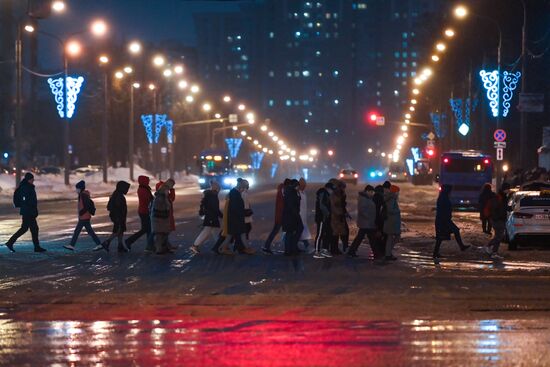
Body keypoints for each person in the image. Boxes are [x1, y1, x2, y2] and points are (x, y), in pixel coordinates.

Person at [5, 172, 46, 252]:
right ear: (28, 179)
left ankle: (11, 242)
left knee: (27, 228)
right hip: (28, 212)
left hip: (29, 211)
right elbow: (25, 200)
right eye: (32, 179)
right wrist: (30, 210)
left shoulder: (29, 186)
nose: (33, 180)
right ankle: (36, 247)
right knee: (32, 229)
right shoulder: (25, 187)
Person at [433, 184, 470, 260]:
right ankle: (461, 246)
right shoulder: (443, 198)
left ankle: (435, 253)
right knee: (454, 231)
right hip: (443, 220)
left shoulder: (443, 197)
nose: (451, 192)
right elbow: (443, 210)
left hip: (443, 220)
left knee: (440, 237)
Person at [64, 180, 101, 251]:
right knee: (89, 232)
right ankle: (99, 244)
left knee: (77, 231)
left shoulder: (83, 195)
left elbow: (86, 206)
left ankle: (72, 245)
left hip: (84, 216)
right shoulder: (83, 194)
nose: (76, 190)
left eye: (77, 188)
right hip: (85, 216)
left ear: (80, 188)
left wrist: (81, 212)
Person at [95, 181, 131, 252]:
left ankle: (120, 245)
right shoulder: (118, 195)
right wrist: (119, 217)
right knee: (118, 230)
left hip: (118, 216)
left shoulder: (117, 194)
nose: (127, 190)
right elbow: (117, 207)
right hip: (118, 216)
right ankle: (107, 242)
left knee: (121, 230)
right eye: (126, 188)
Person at [191, 181, 223, 254]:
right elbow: (215, 208)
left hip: (210, 216)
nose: (219, 190)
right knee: (206, 232)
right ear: (216, 188)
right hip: (211, 217)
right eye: (219, 189)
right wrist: (221, 215)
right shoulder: (212, 196)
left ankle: (219, 246)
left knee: (214, 232)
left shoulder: (211, 195)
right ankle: (195, 245)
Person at [225, 179, 255, 254]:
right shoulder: (236, 193)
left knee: (237, 234)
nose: (244, 189)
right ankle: (223, 248)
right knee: (236, 234)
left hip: (237, 217)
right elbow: (236, 207)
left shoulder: (236, 192)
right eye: (244, 187)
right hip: (236, 218)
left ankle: (244, 248)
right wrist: (243, 213)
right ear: (241, 185)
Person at [125, 175, 154, 252]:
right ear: (144, 181)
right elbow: (147, 200)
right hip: (144, 211)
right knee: (145, 229)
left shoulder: (145, 188)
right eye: (147, 181)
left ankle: (150, 245)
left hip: (145, 211)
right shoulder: (143, 189)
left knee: (148, 229)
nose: (148, 182)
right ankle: (129, 241)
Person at [348, 185, 378, 258]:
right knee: (371, 238)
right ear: (367, 191)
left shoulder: (367, 198)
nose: (372, 193)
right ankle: (376, 254)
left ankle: (352, 251)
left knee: (361, 237)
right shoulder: (364, 199)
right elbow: (362, 210)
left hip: (367, 222)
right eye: (371, 192)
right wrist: (369, 218)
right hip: (366, 222)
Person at [262, 179, 289, 254]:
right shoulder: (283, 190)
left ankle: (267, 246)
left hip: (279, 215)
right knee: (286, 231)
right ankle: (287, 248)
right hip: (282, 215)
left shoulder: (281, 189)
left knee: (277, 231)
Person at [485, 182, 511, 259]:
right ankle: (490, 248)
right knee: (499, 237)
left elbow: (503, 208)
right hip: (498, 220)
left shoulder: (503, 197)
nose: (509, 190)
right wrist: (496, 217)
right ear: (504, 189)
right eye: (508, 189)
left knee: (499, 236)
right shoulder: (499, 197)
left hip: (499, 219)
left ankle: (493, 251)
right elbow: (496, 208)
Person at [151, 180, 174, 255]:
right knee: (160, 234)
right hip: (159, 217)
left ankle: (163, 248)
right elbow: (161, 206)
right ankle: (159, 249)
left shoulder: (162, 195)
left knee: (164, 233)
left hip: (162, 217)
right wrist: (166, 209)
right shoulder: (161, 196)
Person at [282, 179, 303, 255]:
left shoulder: (293, 192)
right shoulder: (290, 192)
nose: (298, 188)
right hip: (290, 216)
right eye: (297, 186)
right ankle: (288, 250)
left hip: (292, 215)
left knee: (293, 231)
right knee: (290, 232)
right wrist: (296, 214)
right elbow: (291, 205)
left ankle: (292, 248)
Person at [313, 181, 333, 258]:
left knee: (327, 233)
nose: (332, 191)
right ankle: (316, 252)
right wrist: (327, 213)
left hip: (326, 218)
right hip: (321, 218)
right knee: (320, 234)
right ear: (328, 188)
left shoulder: (327, 194)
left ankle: (325, 250)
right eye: (331, 189)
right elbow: (322, 206)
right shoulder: (322, 193)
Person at [383, 184, 401, 261]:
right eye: (397, 192)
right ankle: (388, 253)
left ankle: (388, 253)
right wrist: (397, 211)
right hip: (391, 222)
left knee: (391, 238)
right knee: (394, 237)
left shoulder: (391, 198)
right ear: (395, 192)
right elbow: (389, 210)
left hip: (391, 221)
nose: (398, 193)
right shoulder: (392, 199)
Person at [329, 180, 346, 255]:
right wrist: (339, 213)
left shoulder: (340, 194)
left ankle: (335, 249)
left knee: (338, 233)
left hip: (339, 216)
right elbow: (333, 206)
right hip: (335, 217)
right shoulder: (334, 195)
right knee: (334, 234)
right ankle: (334, 249)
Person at [298, 178, 312, 252]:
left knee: (302, 232)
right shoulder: (298, 193)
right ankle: (306, 245)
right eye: (303, 185)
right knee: (300, 231)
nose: (304, 186)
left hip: (303, 215)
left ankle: (305, 245)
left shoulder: (303, 193)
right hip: (299, 215)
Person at [241, 179, 253, 245]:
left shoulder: (245, 193)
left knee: (247, 228)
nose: (248, 186)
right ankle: (244, 244)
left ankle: (243, 244)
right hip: (244, 214)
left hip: (246, 213)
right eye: (247, 184)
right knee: (246, 229)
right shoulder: (243, 193)